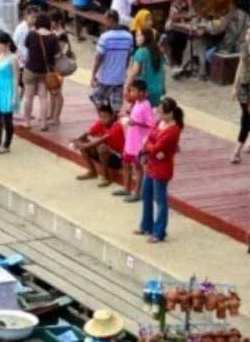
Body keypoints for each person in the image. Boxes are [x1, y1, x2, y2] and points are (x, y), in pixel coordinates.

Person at [136, 97, 184, 243]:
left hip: (162, 168)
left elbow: (156, 147)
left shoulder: (173, 130)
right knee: (146, 194)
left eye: (162, 113)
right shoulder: (160, 123)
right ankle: (146, 225)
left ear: (170, 114)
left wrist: (149, 146)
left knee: (160, 200)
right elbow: (150, 140)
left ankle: (159, 231)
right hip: (152, 164)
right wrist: (150, 147)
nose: (159, 115)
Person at [115, 79, 156, 204]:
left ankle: (136, 192)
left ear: (142, 93)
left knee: (137, 167)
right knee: (125, 163)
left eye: (133, 91)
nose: (131, 93)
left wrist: (135, 122)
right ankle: (126, 188)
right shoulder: (136, 103)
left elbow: (151, 124)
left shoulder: (146, 105)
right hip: (131, 140)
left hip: (138, 142)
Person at [70, 104, 126, 188]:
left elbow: (100, 140)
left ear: (112, 116)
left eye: (105, 117)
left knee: (101, 147)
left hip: (118, 159)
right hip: (106, 154)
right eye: (101, 117)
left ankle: (105, 177)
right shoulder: (100, 123)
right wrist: (77, 140)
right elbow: (87, 133)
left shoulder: (117, 126)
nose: (103, 119)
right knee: (83, 142)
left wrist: (81, 145)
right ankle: (92, 172)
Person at [22, 12, 60, 132]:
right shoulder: (53, 37)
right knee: (43, 97)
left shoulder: (32, 34)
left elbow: (26, 45)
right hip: (45, 71)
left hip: (31, 69)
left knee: (28, 96)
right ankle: (43, 123)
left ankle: (27, 121)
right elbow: (57, 54)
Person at [201, 3, 250, 79]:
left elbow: (215, 29)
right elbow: (220, 22)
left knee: (207, 53)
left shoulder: (230, 15)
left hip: (230, 48)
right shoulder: (246, 15)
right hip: (243, 47)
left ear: (231, 4)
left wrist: (204, 22)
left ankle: (205, 73)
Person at [125, 27, 165, 107]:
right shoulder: (158, 51)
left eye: (138, 36)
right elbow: (162, 71)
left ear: (145, 37)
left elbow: (134, 72)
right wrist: (163, 88)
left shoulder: (141, 51)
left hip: (143, 90)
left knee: (139, 114)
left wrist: (126, 86)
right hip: (158, 89)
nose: (136, 38)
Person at [230, 27, 250, 164]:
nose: (248, 35)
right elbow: (240, 65)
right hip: (243, 86)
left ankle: (237, 151)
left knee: (246, 120)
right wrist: (234, 86)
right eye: (248, 33)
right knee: (245, 115)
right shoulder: (244, 47)